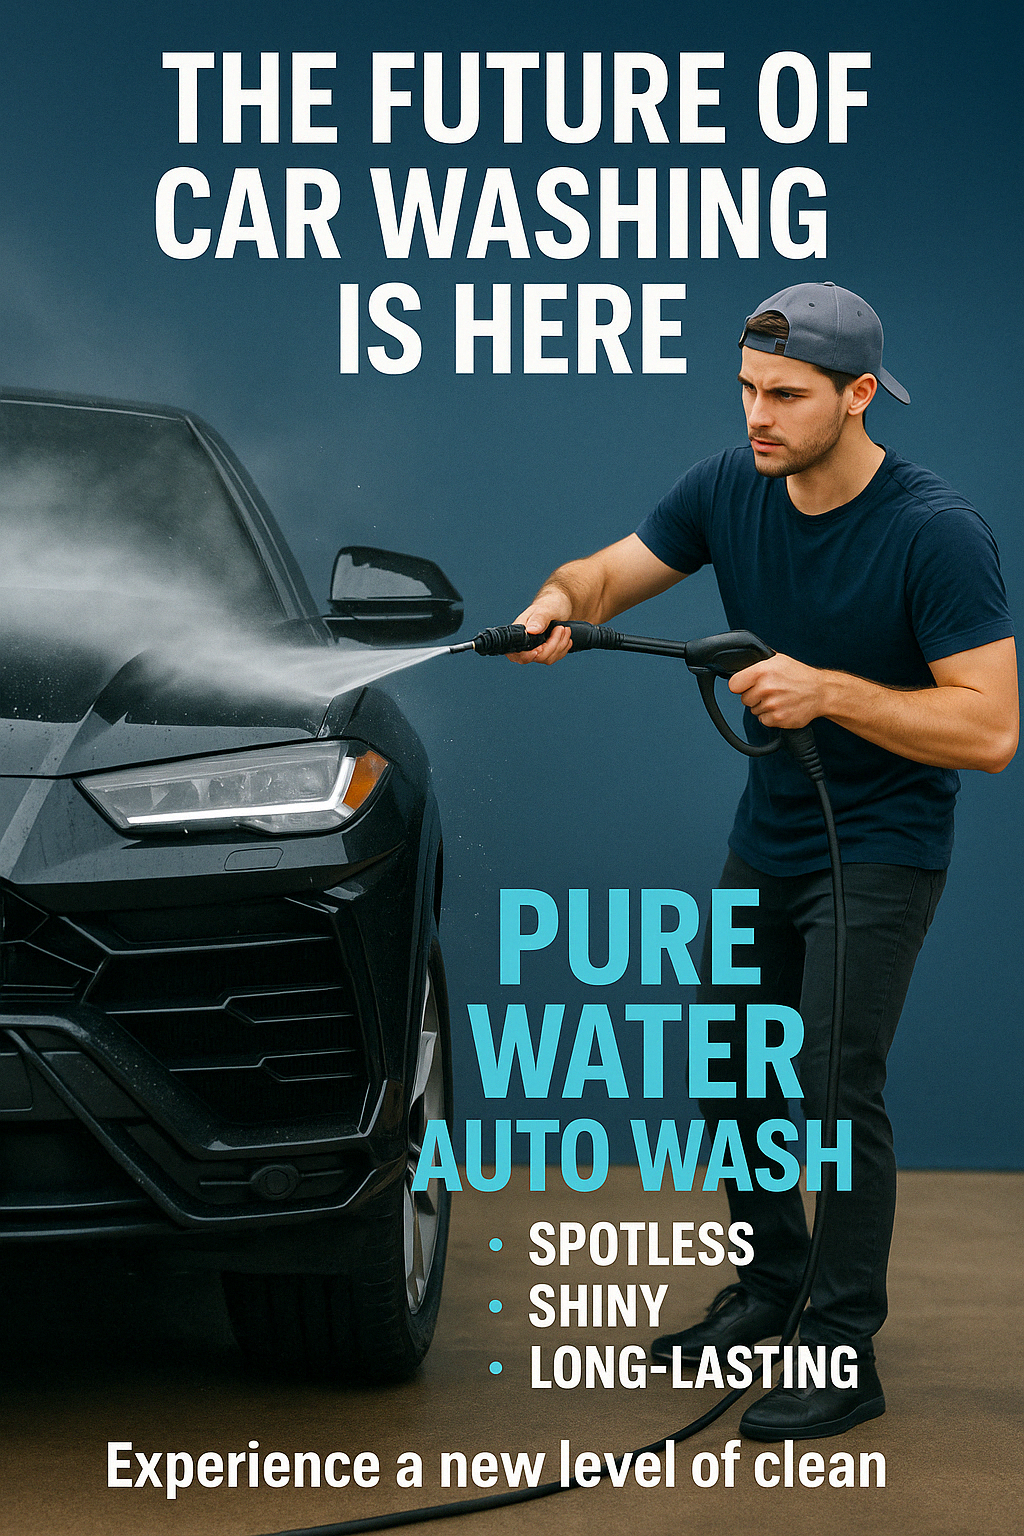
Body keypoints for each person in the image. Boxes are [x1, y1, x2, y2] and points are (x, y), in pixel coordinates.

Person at [510, 281, 1018, 1441]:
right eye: (746, 389)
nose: (758, 415)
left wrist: (828, 689)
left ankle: (840, 1346)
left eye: (784, 394)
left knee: (835, 1085)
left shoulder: (933, 530)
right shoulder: (727, 487)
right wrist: (553, 604)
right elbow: (602, 578)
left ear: (855, 396)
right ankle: (769, 1285)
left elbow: (989, 731)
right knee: (734, 1069)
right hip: (770, 836)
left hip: (881, 843)